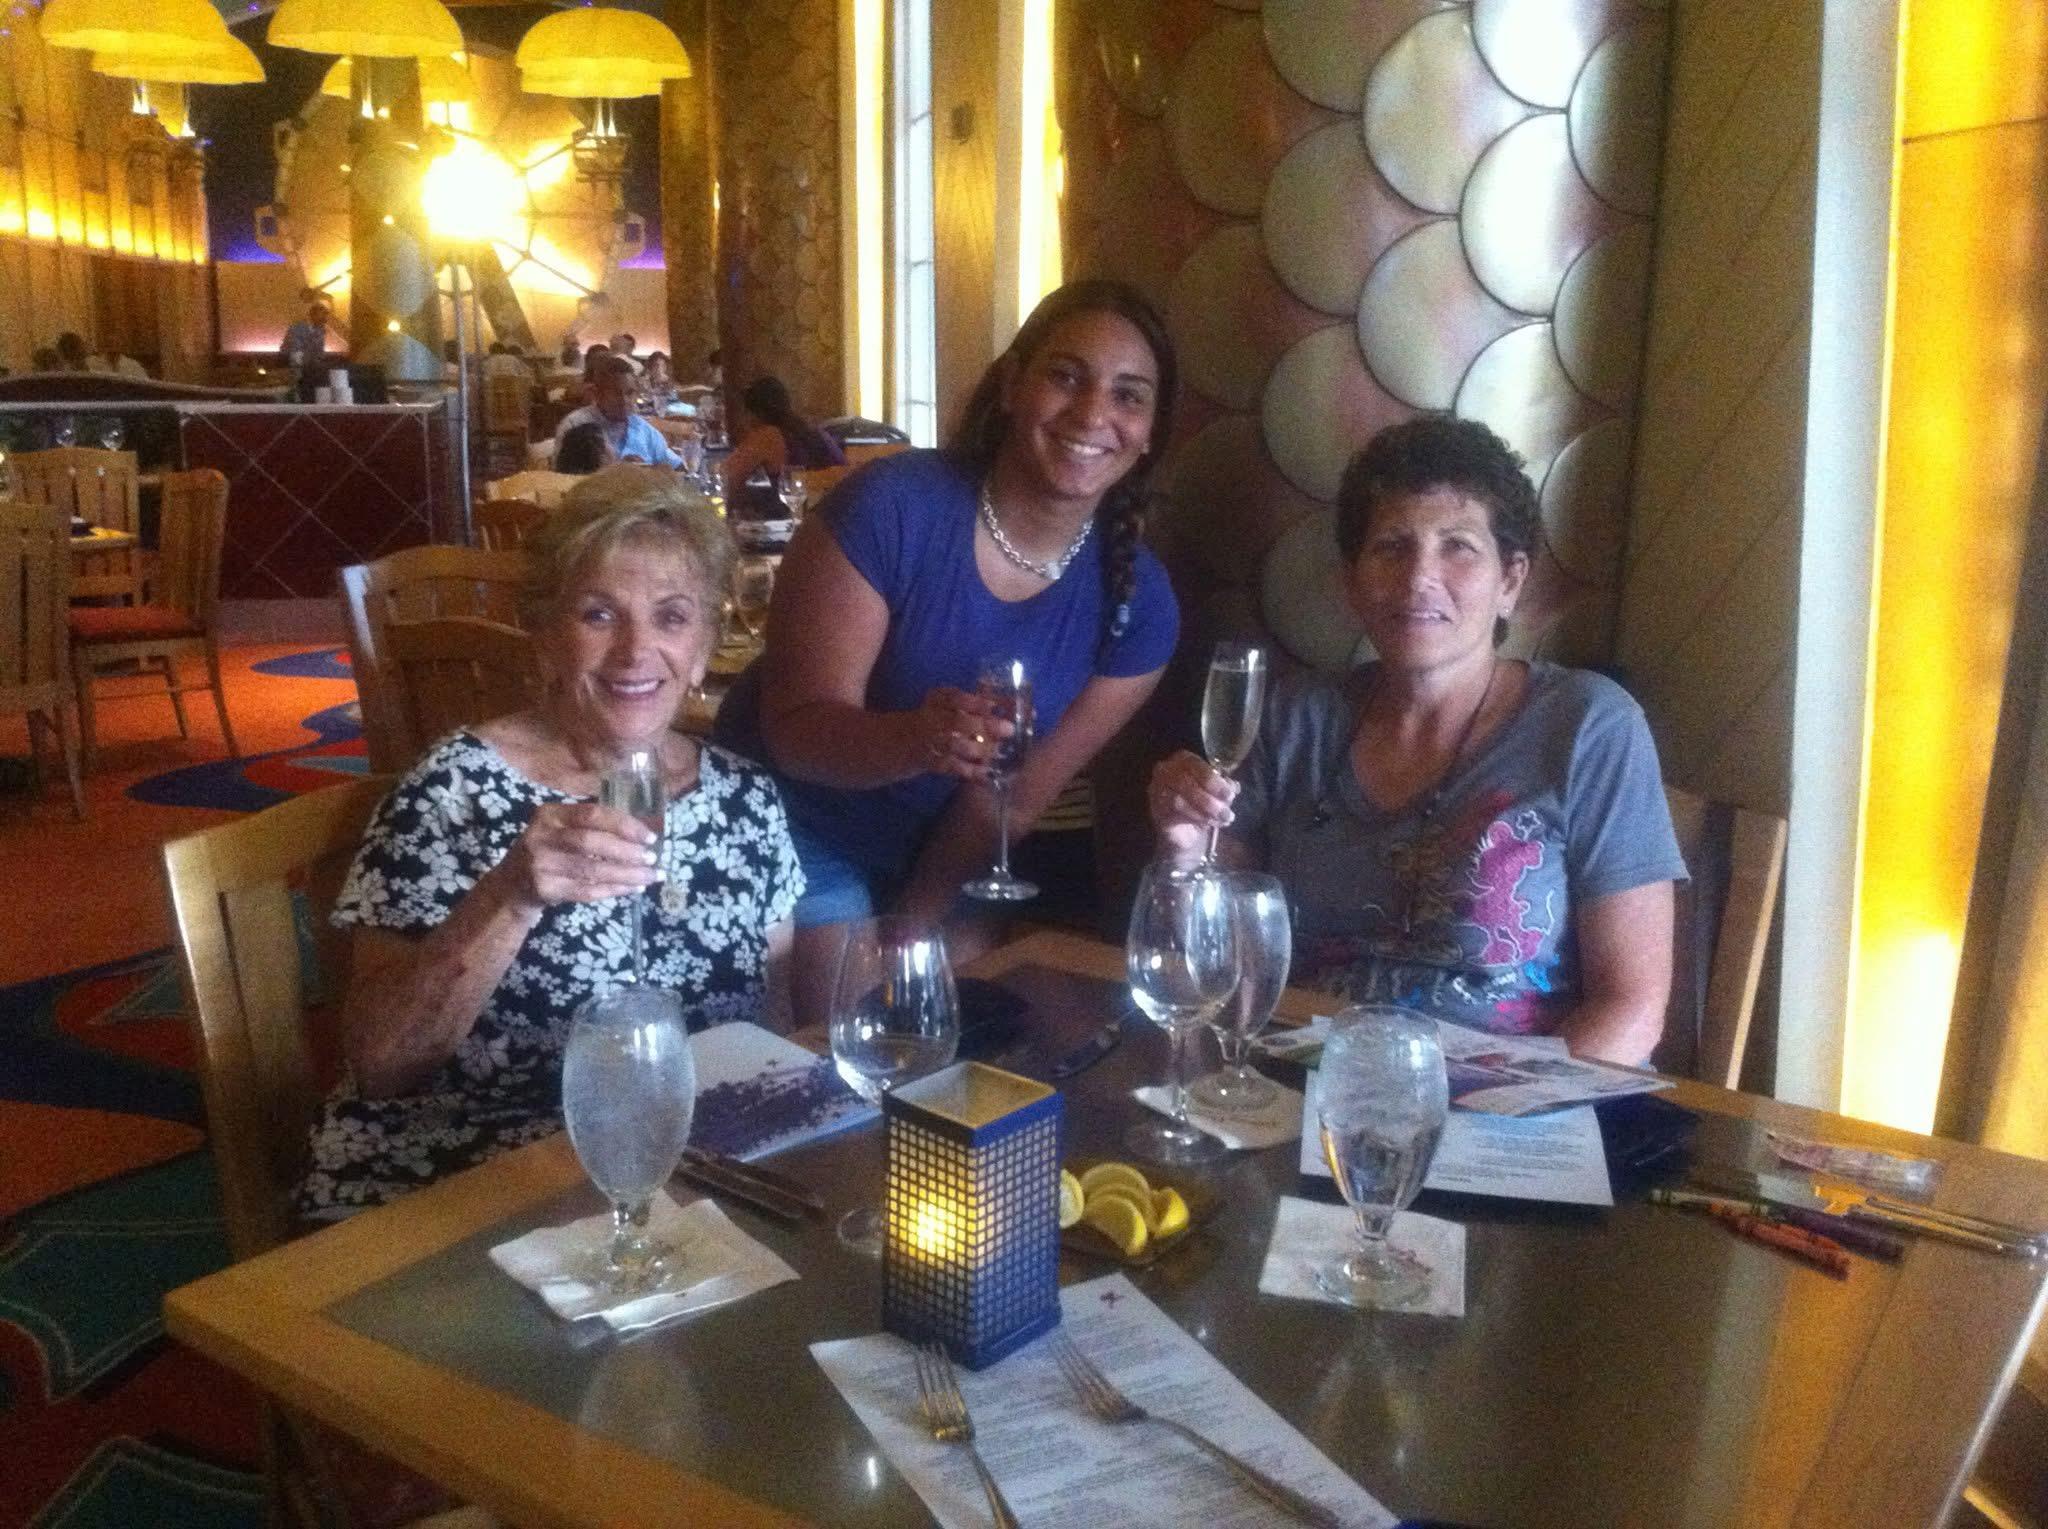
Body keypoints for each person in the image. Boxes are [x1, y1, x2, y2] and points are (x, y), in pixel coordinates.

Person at [295, 465, 804, 1220]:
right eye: (599, 614)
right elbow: (380, 1065)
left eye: (670, 617)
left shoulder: (747, 800)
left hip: (682, 1179)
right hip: (468, 1177)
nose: (635, 651)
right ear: (543, 635)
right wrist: (510, 894)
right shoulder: (453, 791)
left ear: (703, 648)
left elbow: (772, 1033)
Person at [1148, 415, 1685, 1064]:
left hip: (1517, 1123)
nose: (1418, 577)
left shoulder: (1589, 725)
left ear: (1510, 579)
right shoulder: (1295, 719)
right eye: (1392, 546)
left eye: (1457, 545)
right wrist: (1182, 850)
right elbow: (1216, 964)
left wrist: (1476, 1121)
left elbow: (1630, 1010)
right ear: (1352, 582)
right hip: (1304, 1096)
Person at [725, 278, 1181, 1026]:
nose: (1095, 413)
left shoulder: (1143, 605)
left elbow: (1015, 795)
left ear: (1151, 430)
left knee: (967, 1040)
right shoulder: (893, 506)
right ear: (1011, 386)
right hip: (797, 817)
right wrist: (918, 738)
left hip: (942, 848)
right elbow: (798, 733)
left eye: (1129, 396)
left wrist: (916, 920)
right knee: (848, 1041)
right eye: (1066, 376)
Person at [721, 375, 847, 510]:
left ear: (754, 413)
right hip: (829, 521)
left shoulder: (767, 435)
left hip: (783, 521)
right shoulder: (817, 432)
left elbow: (727, 476)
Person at [553, 353, 683, 468]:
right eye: (616, 393)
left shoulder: (642, 428)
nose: (624, 400)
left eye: (630, 393)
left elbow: (676, 466)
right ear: (597, 394)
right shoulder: (576, 426)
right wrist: (618, 471)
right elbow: (565, 480)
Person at [281, 299, 333, 394]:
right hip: (292, 369)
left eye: (328, 314)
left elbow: (319, 355)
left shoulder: (320, 330)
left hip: (309, 371)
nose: (326, 318)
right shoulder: (297, 328)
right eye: (324, 313)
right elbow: (296, 355)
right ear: (314, 313)